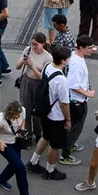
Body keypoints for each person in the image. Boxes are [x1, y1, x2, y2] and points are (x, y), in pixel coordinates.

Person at [27, 44, 71, 181]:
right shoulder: (62, 80)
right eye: (68, 58)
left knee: (45, 136)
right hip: (56, 116)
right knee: (55, 145)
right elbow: (64, 104)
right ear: (63, 60)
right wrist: (68, 119)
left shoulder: (48, 67)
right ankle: (50, 170)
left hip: (45, 111)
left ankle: (33, 162)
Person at [61, 35, 97, 166]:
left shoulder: (75, 56)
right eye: (89, 48)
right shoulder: (77, 63)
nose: (92, 50)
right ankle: (66, 154)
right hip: (77, 101)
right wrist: (87, 93)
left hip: (78, 99)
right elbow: (73, 85)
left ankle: (70, 144)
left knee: (77, 125)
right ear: (81, 47)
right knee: (74, 127)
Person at [0, 101, 32, 195]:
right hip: (5, 145)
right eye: (15, 115)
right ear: (10, 112)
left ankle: (1, 179)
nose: (18, 117)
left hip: (16, 142)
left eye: (19, 114)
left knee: (15, 165)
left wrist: (21, 130)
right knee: (21, 168)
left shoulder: (22, 110)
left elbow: (23, 119)